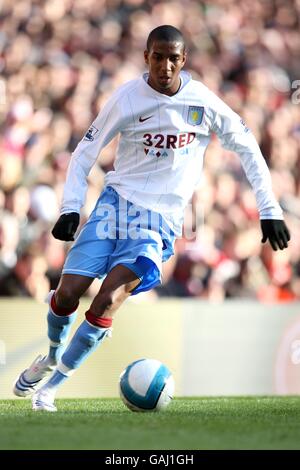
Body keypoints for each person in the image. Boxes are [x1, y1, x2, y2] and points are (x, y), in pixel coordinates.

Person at [13, 25, 290, 411]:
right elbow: (83, 153)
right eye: (157, 57)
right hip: (114, 205)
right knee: (67, 294)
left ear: (183, 60)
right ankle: (51, 356)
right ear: (146, 57)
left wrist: (269, 210)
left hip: (158, 221)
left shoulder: (202, 102)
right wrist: (71, 207)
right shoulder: (127, 99)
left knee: (108, 299)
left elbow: (248, 148)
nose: (164, 66)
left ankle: (52, 387)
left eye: (172, 58)